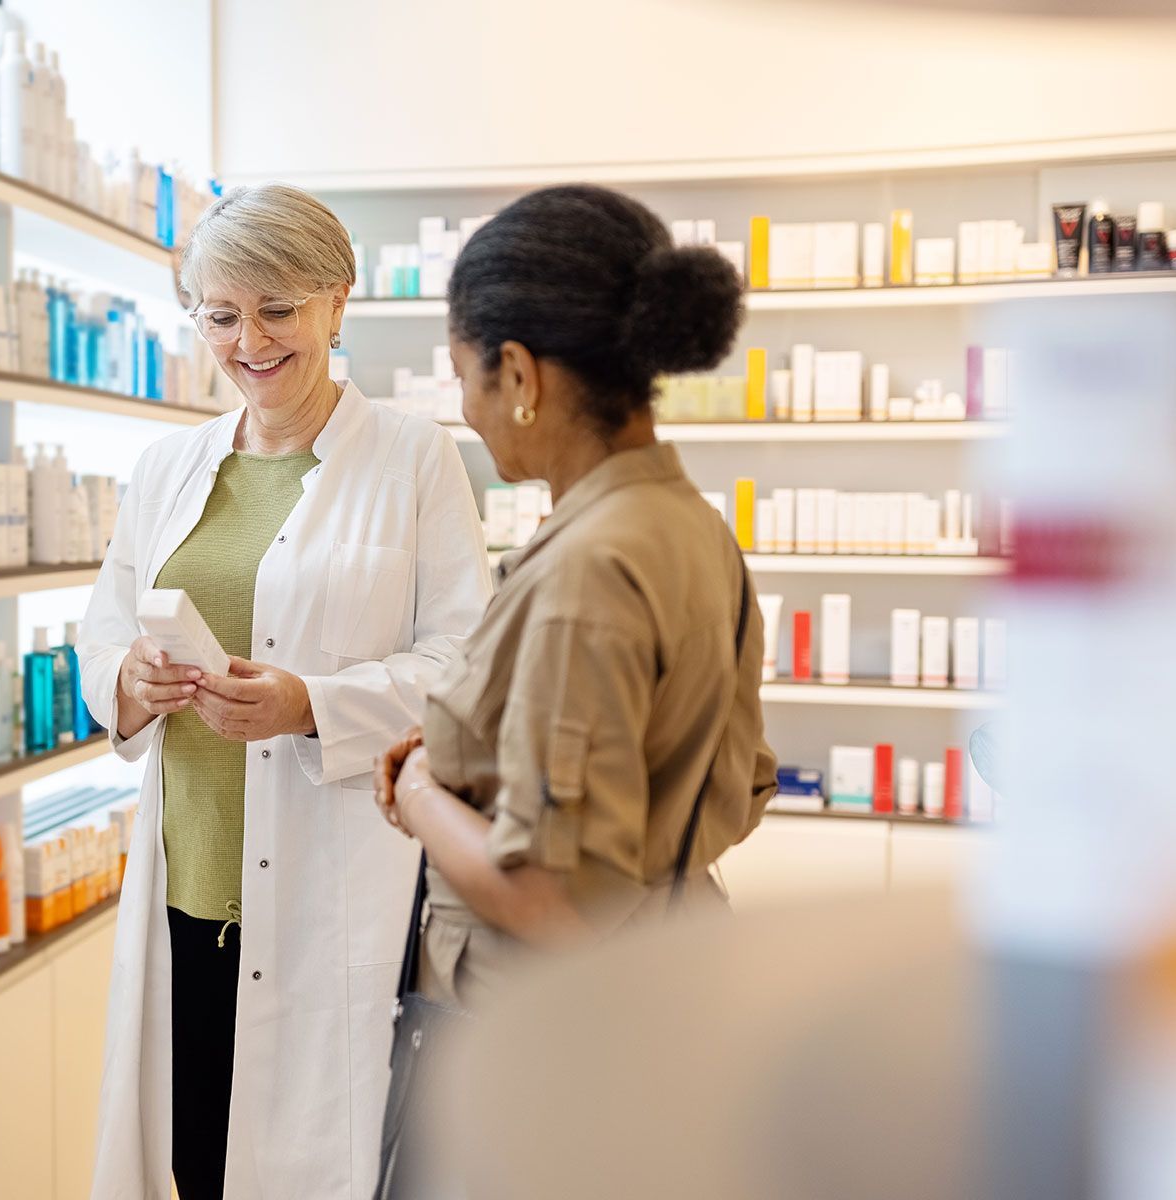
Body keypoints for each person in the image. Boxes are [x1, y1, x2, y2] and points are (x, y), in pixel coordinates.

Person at [79, 183, 493, 1200]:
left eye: (278, 309)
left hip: (334, 895)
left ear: (336, 303)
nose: (249, 340)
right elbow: (104, 627)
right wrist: (130, 677)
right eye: (221, 315)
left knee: (327, 1166)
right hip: (187, 897)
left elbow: (466, 668)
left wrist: (312, 701)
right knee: (199, 1169)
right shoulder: (168, 465)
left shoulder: (413, 458)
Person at [375, 184, 779, 1013]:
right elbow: (734, 789)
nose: (466, 408)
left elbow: (552, 903)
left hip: (556, 1035)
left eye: (465, 376)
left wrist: (419, 790)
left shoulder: (588, 570)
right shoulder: (692, 525)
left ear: (518, 372)